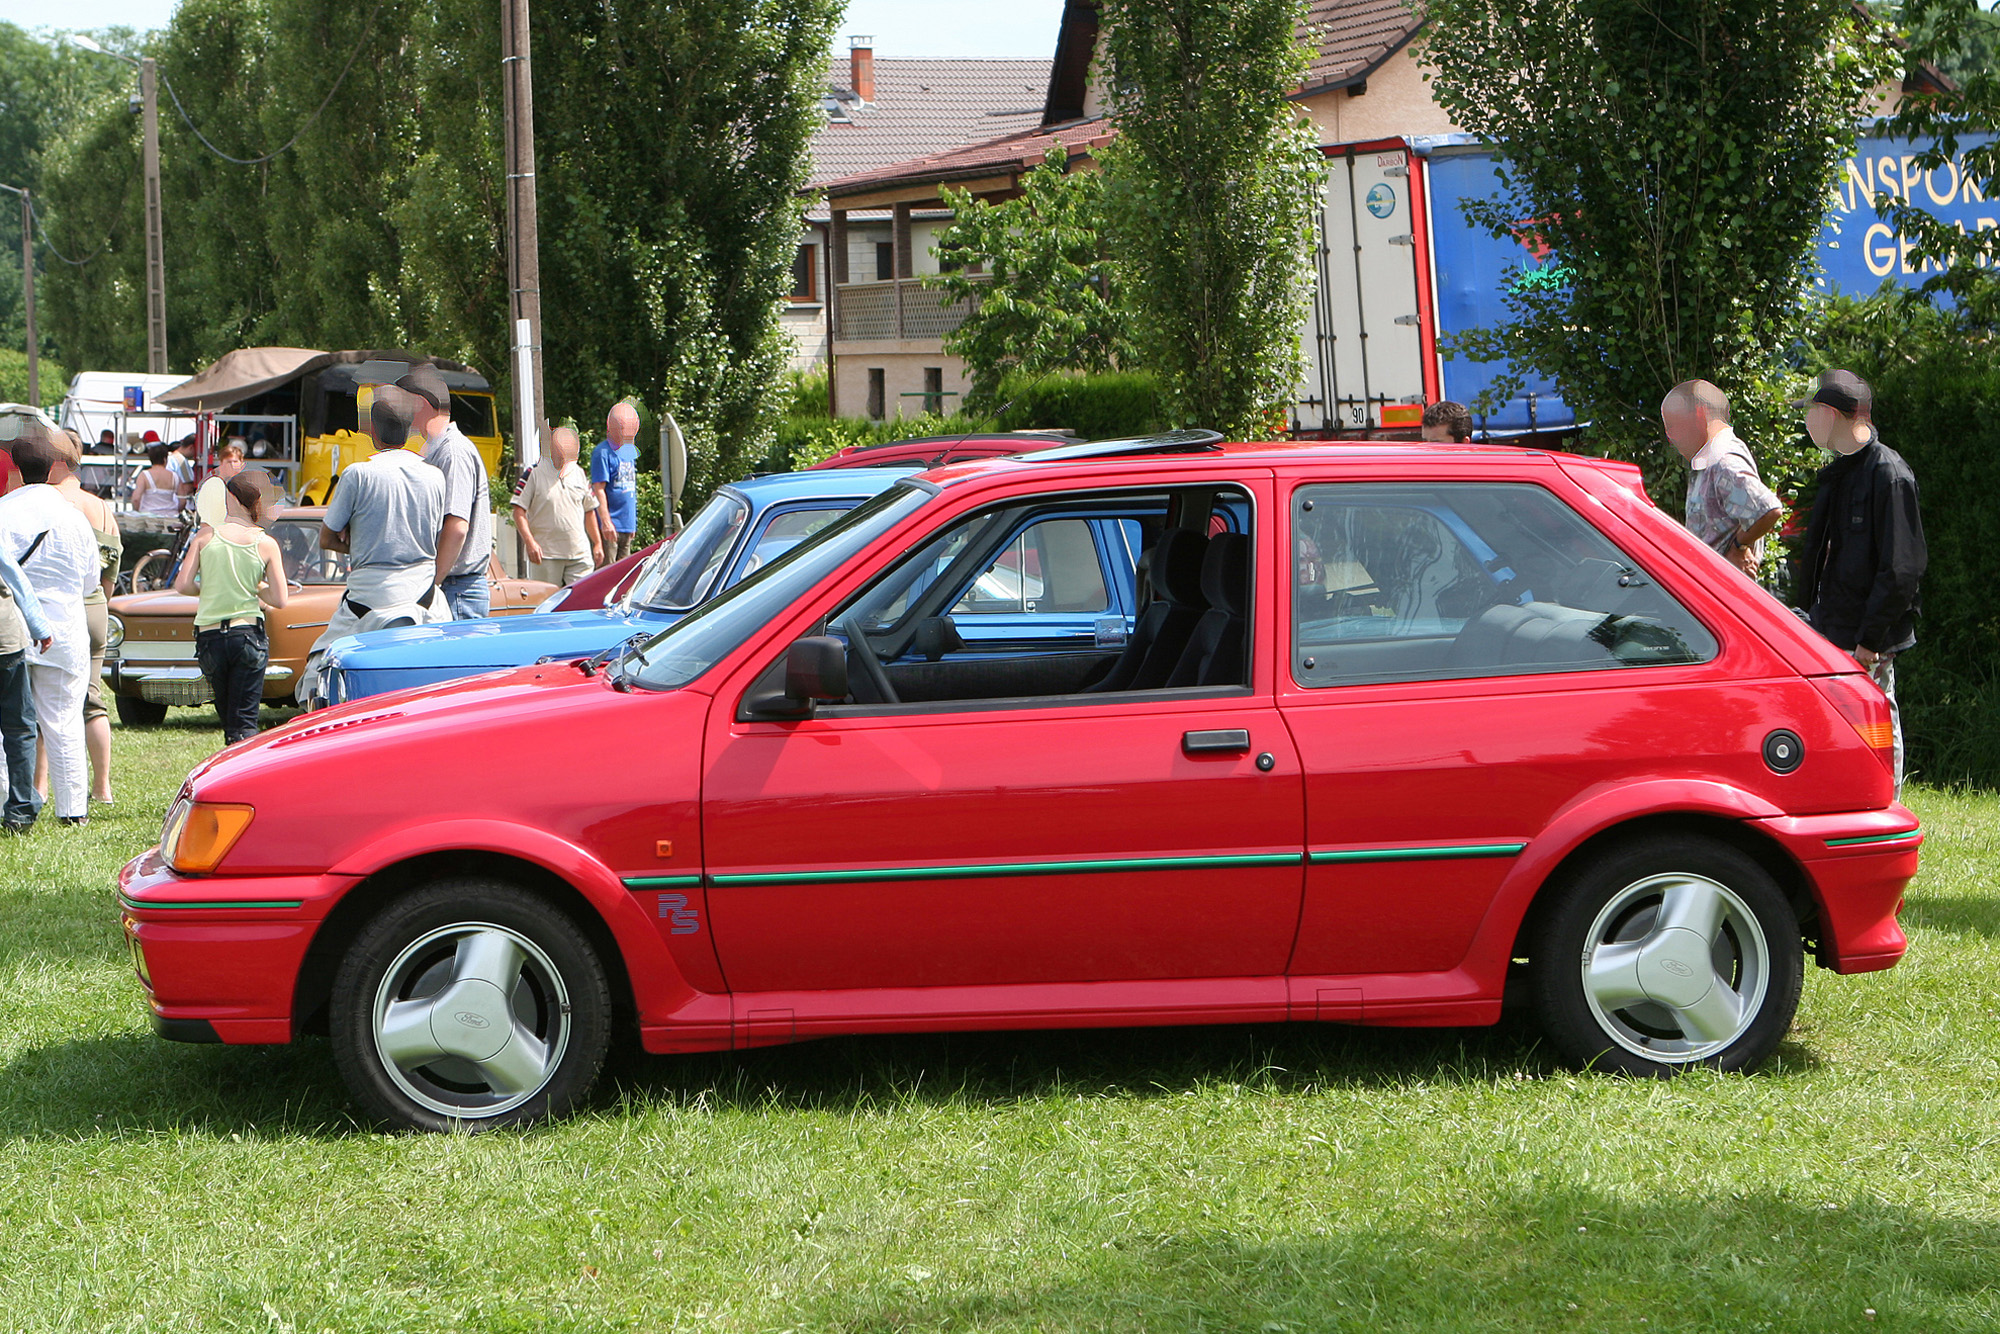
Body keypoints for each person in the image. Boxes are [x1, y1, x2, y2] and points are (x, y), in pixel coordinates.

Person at [1794, 370, 1926, 788]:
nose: (1808, 421)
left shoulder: (1889, 474)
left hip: (1867, 638)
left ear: (1831, 413)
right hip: (1828, 623)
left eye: (1812, 412)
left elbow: (1902, 568)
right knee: (1831, 722)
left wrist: (1868, 642)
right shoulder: (1842, 469)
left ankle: (1887, 799)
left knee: (1876, 716)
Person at [300, 385, 447, 698]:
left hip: (367, 599)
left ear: (371, 430)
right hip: (424, 595)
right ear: (410, 431)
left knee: (316, 683)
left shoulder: (357, 474)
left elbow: (327, 538)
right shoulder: (435, 476)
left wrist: (358, 540)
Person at [0, 428, 100, 827]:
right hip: (65, 628)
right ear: (55, 467)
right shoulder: (74, 517)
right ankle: (72, 809)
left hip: (11, 628)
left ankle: (11, 801)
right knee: (63, 721)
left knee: (8, 724)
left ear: (17, 470)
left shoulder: (5, 511)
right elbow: (91, 581)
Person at [174, 471, 287, 746]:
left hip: (210, 635)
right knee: (245, 718)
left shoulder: (205, 537)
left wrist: (211, 587)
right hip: (247, 632)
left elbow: (183, 585)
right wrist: (255, 586)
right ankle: (245, 772)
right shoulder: (266, 543)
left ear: (231, 499)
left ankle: (232, 758)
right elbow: (280, 599)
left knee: (227, 716)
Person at [48, 429, 120, 804]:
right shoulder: (101, 506)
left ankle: (40, 788)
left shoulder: (46, 501)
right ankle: (102, 787)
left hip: (60, 608)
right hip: (95, 608)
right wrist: (100, 602)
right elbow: (113, 567)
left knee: (47, 698)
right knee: (93, 701)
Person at [1660, 379, 1783, 577]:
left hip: (1724, 591)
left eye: (1673, 426)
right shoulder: (1711, 459)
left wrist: (1738, 547)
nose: (1670, 437)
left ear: (1699, 414)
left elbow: (1768, 510)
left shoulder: (1723, 461)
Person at [399, 365, 494, 619]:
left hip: (455, 591)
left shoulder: (453, 452)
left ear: (420, 403)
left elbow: (457, 527)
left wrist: (432, 587)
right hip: (452, 588)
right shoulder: (437, 450)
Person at [0, 516, 53, 832]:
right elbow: (13, 576)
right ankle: (20, 810)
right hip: (4, 640)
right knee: (18, 727)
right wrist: (39, 625)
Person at [512, 426, 603, 586]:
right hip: (546, 555)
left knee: (581, 603)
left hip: (579, 554)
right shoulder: (533, 473)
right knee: (545, 604)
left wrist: (597, 543)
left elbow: (589, 510)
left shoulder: (579, 473)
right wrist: (530, 542)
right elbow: (518, 511)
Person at [591, 403, 641, 565]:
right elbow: (598, 490)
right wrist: (605, 522)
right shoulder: (602, 453)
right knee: (608, 577)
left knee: (624, 577)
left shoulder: (629, 452)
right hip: (610, 527)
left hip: (626, 526)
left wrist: (631, 523)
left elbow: (629, 488)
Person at [131, 442, 185, 515]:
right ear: (165, 459)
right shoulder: (175, 476)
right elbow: (183, 501)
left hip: (149, 516)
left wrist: (137, 512)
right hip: (171, 516)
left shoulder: (144, 475)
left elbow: (136, 499)